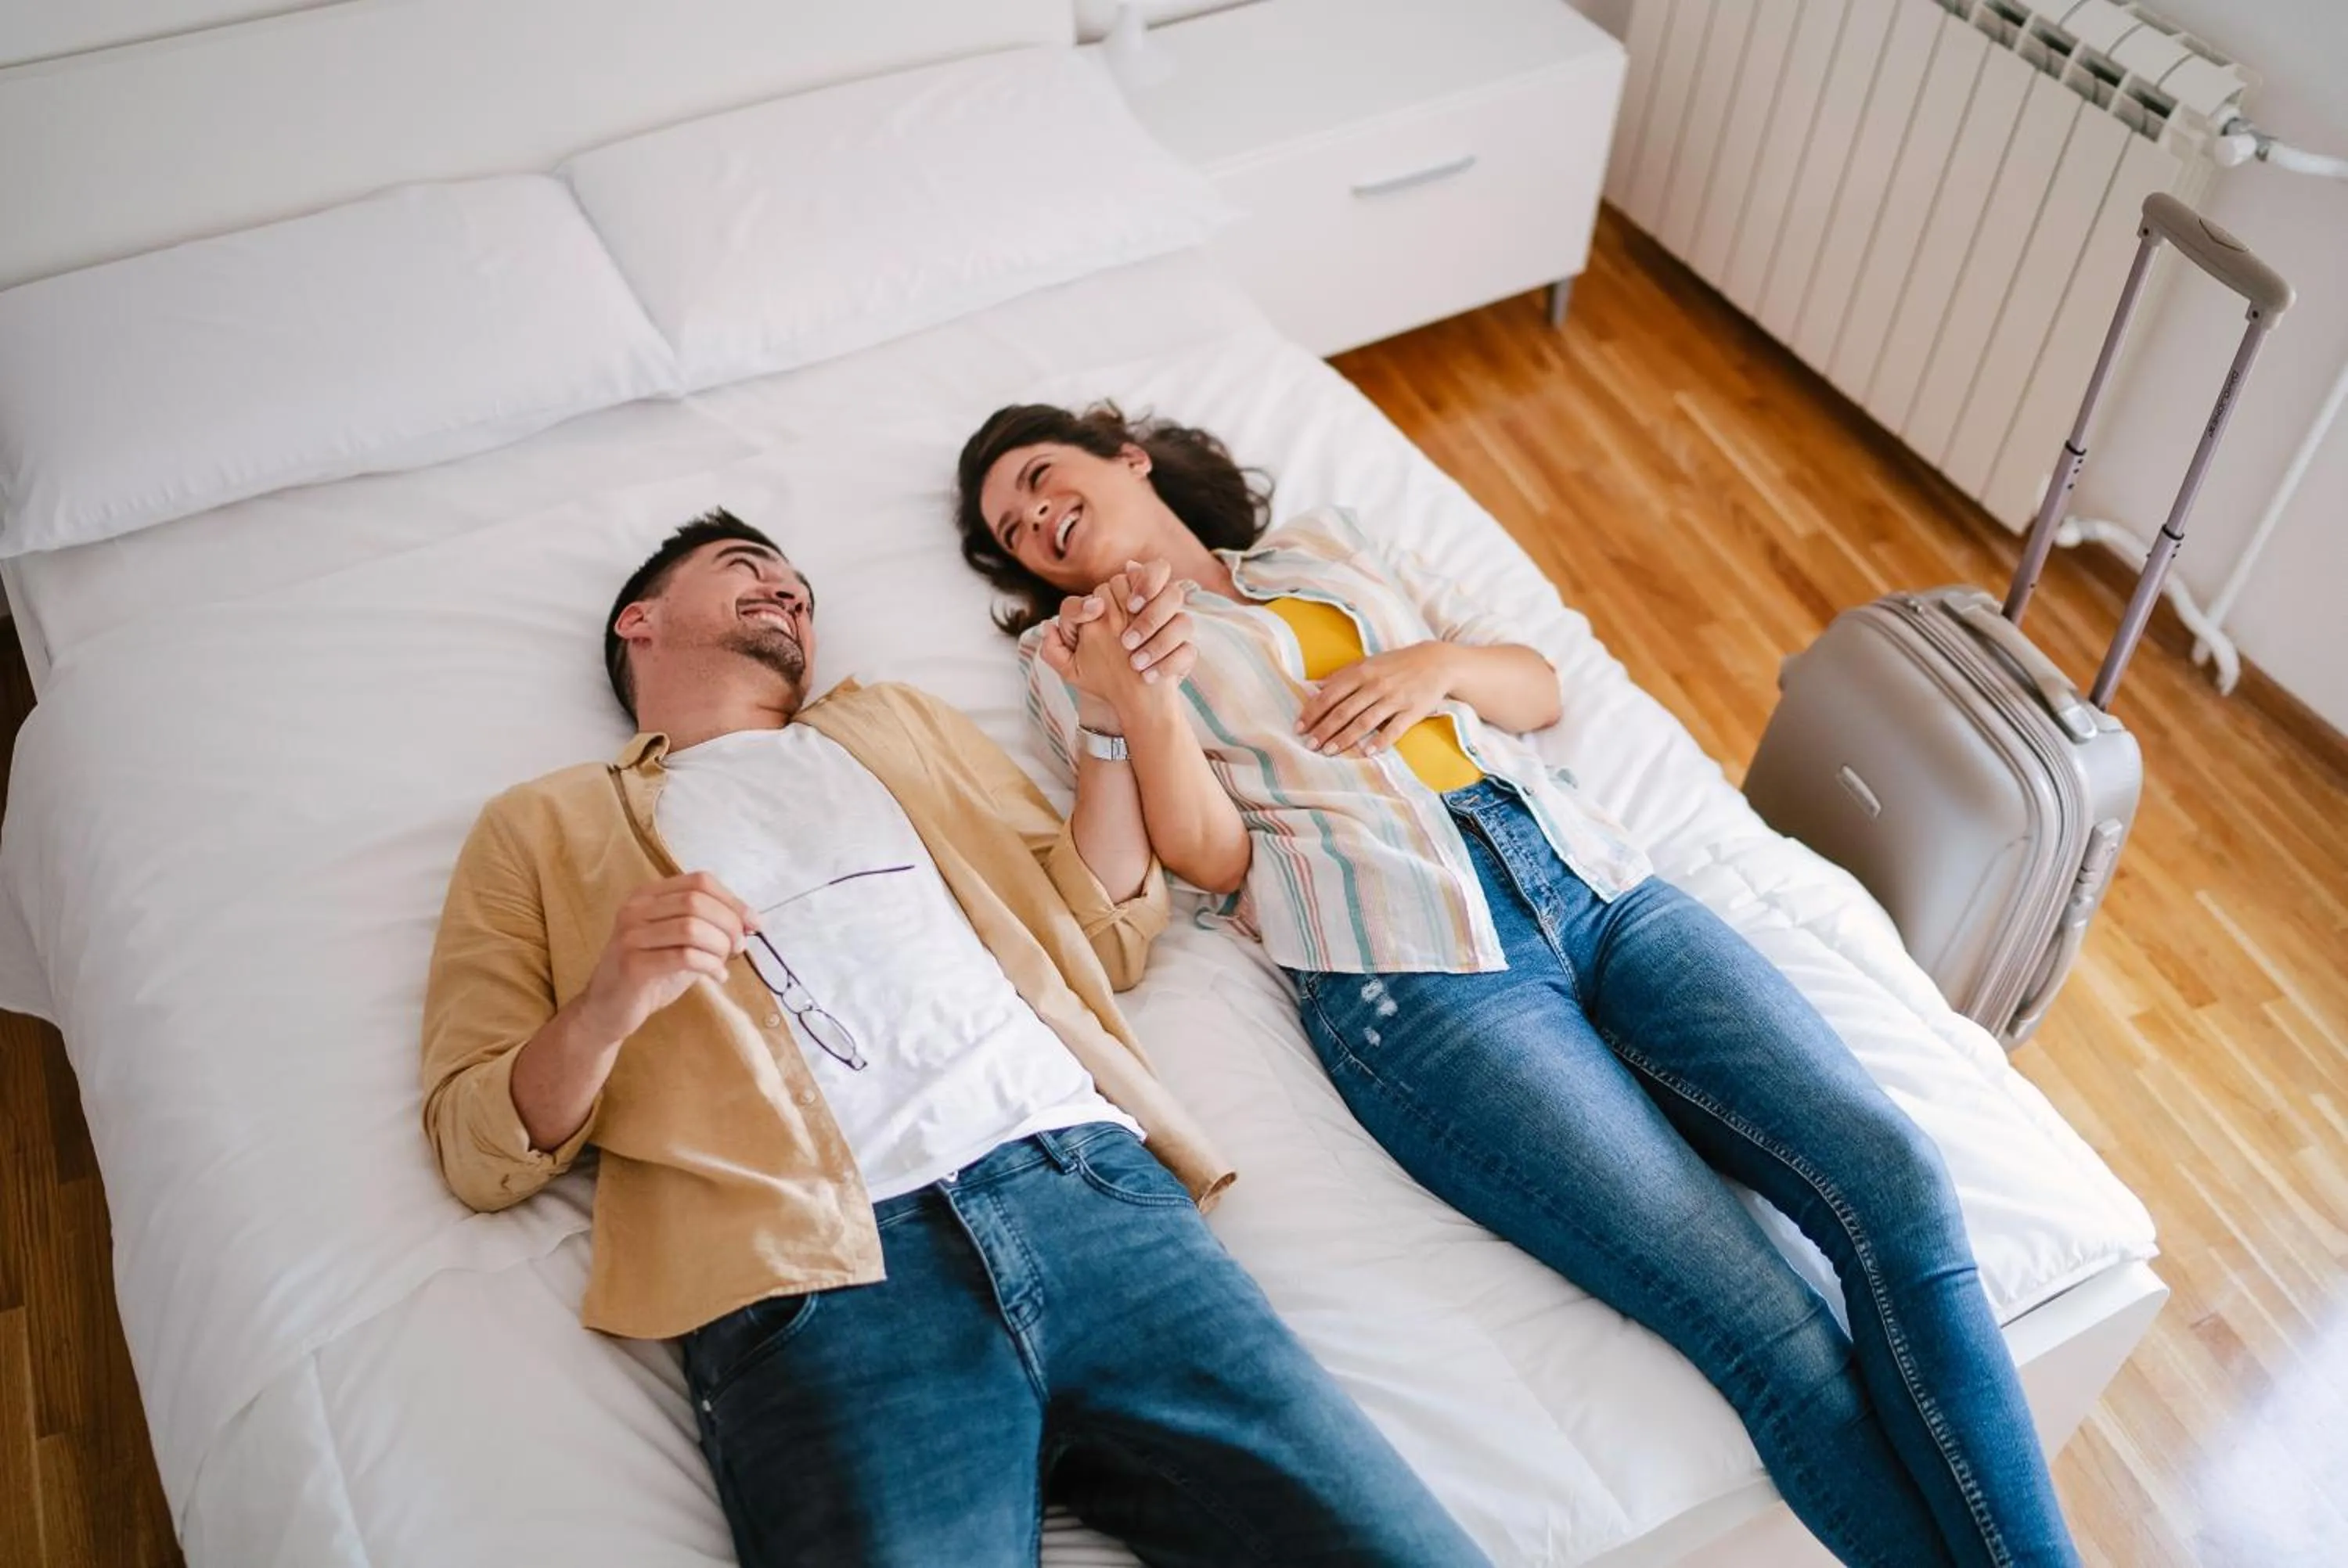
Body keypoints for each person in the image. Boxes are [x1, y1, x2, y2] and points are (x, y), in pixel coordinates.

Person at [954, 404, 2084, 1568]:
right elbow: (1210, 858)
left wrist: (1433, 665)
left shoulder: (1328, 546)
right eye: (1013, 529)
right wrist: (1137, 693)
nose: (1037, 518)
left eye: (1041, 479)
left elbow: (1538, 688)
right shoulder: (1070, 659)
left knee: (1893, 1187)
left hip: (1597, 886)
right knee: (1763, 1327)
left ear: (1126, 457)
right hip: (1413, 974)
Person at [419, 509, 1486, 1568]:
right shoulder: (540, 827)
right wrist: (610, 1001)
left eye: (799, 585)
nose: (787, 589)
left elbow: (1102, 929)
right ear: (639, 621)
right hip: (813, 1284)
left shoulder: (899, 725)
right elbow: (480, 1146)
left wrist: (1110, 718)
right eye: (748, 569)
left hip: (1090, 1192)